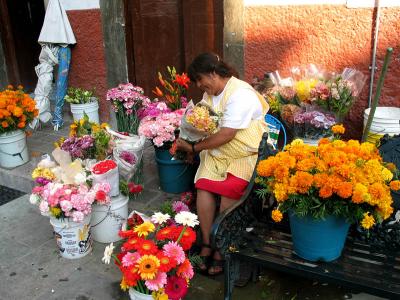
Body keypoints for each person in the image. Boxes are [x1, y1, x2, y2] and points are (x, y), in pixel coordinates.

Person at [176, 52, 270, 275]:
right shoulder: (211, 95)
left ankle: (222, 245)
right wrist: (188, 139)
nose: (200, 85)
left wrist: (194, 148)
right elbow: (200, 123)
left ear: (214, 73)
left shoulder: (241, 94)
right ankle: (208, 242)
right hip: (217, 153)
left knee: (228, 190)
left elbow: (227, 134)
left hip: (243, 155)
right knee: (204, 188)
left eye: (200, 79)